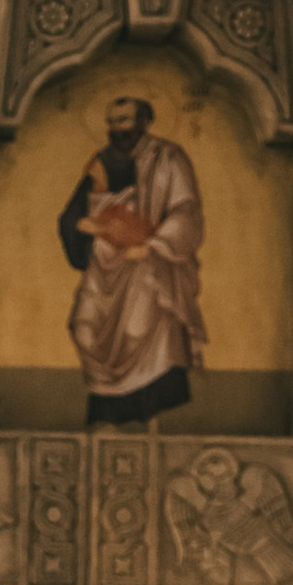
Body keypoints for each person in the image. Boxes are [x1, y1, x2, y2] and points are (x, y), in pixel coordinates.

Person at [59, 88, 205, 428]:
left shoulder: (169, 159)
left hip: (148, 268)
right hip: (104, 268)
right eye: (111, 122)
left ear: (144, 121)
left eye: (124, 120)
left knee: (141, 334)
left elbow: (186, 213)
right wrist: (84, 224)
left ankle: (149, 420)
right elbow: (73, 214)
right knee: (85, 328)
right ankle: (106, 417)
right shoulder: (101, 161)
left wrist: (154, 246)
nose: (117, 128)